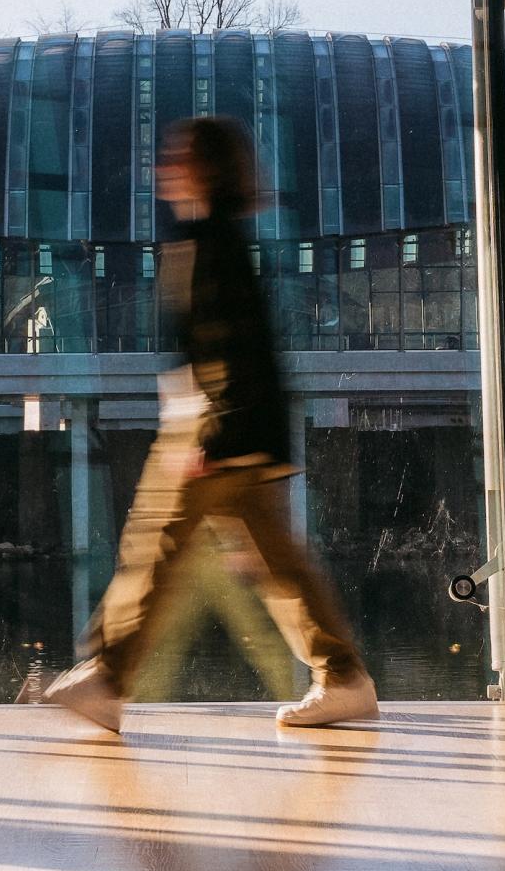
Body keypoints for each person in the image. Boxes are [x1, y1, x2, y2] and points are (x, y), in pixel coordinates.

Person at [43, 117, 378, 733]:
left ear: (204, 169)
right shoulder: (212, 238)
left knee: (157, 544)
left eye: (177, 158)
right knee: (275, 560)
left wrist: (214, 439)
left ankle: (108, 677)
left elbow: (233, 349)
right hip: (233, 425)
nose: (163, 168)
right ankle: (343, 675)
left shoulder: (210, 243)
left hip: (216, 427)